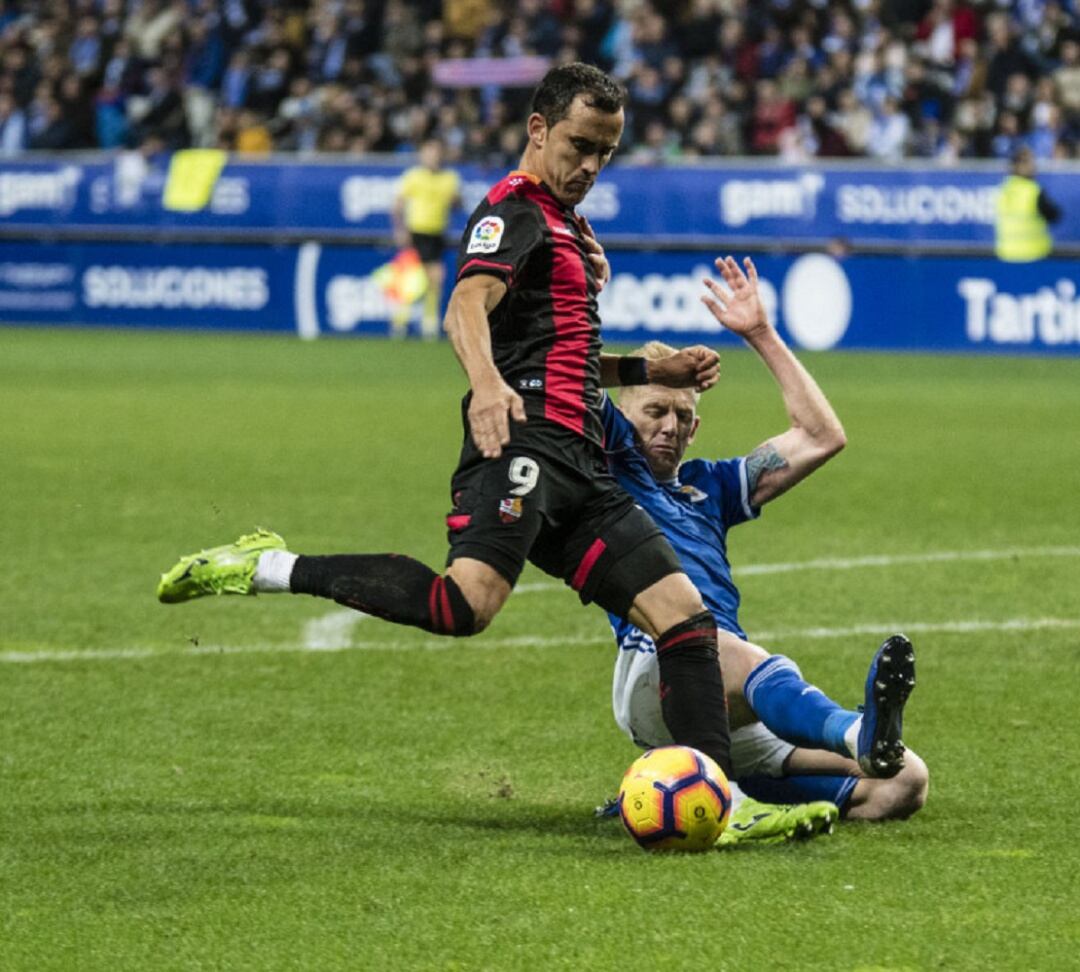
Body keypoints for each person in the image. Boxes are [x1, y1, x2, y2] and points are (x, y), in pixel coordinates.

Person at [157, 63, 738, 782]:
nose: (588, 165)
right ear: (538, 128)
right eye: (579, 144)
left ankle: (718, 797)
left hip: (582, 462)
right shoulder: (516, 210)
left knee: (685, 619)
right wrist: (487, 386)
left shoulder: (566, 222)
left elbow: (564, 356)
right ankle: (270, 565)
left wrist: (651, 371)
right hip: (522, 442)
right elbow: (464, 306)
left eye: (604, 153)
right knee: (462, 604)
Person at [601, 256, 928, 822]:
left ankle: (731, 802)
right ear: (621, 416)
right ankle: (854, 730)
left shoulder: (713, 486)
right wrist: (639, 371)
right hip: (658, 667)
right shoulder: (605, 473)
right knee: (714, 640)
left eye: (682, 415)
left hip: (730, 694)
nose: (669, 426)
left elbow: (822, 436)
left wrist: (760, 333)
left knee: (902, 783)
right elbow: (553, 372)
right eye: (654, 411)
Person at [390, 136, 463, 339]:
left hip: (437, 233)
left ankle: (429, 323)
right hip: (416, 231)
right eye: (429, 153)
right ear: (422, 155)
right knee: (411, 279)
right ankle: (400, 322)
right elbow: (397, 205)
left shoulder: (449, 178)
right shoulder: (413, 176)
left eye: (436, 153)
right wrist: (400, 230)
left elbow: (458, 204)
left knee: (436, 278)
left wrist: (456, 199)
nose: (433, 157)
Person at [994, 147, 1062, 263]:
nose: (1033, 166)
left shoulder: (1003, 189)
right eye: (1027, 162)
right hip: (1033, 254)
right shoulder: (1033, 191)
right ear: (1016, 166)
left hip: (1007, 255)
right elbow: (1054, 215)